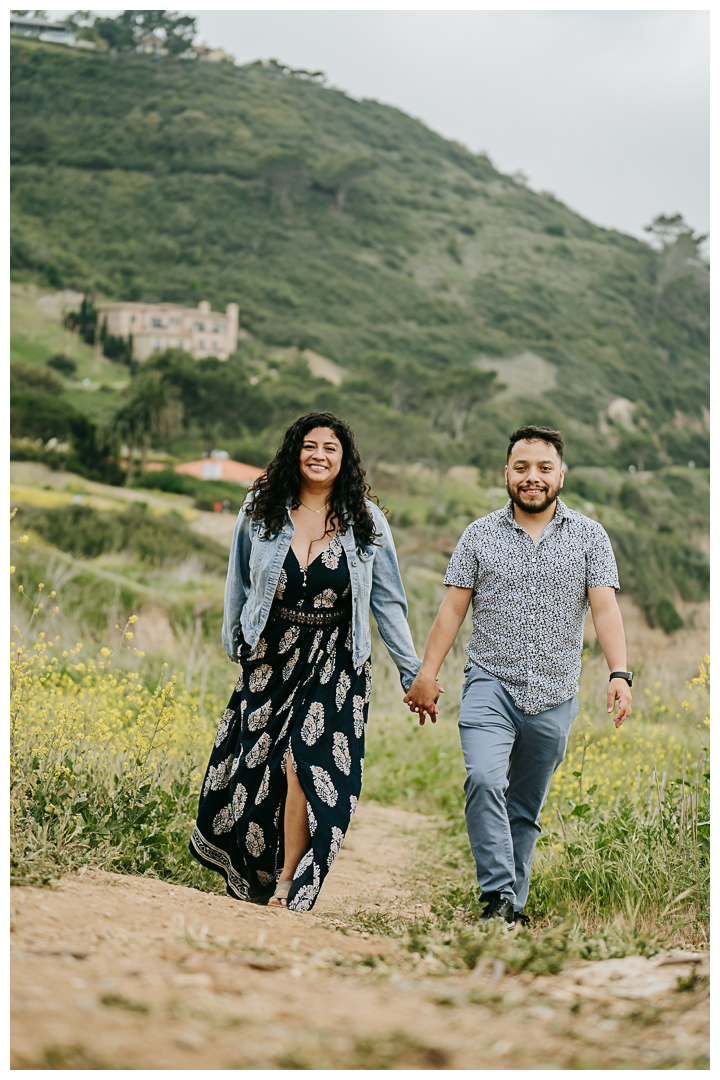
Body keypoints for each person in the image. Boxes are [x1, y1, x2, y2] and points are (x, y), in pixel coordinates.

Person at [190, 412, 435, 911]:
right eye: (310, 445)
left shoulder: (366, 520)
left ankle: (288, 883)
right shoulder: (261, 510)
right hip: (272, 654)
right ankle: (256, 872)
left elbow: (388, 603)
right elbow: (238, 582)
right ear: (294, 452)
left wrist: (415, 673)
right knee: (257, 770)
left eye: (330, 448)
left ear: (344, 459)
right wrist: (237, 644)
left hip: (337, 657)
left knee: (304, 762)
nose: (319, 455)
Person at [404, 425, 632, 928]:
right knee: (485, 779)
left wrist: (619, 673)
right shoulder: (478, 535)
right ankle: (496, 897)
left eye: (543, 468)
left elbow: (606, 610)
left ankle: (512, 907)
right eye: (522, 468)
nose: (533, 478)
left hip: (555, 692)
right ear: (507, 473)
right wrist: (427, 673)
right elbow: (452, 610)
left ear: (561, 475)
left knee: (524, 808)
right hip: (491, 682)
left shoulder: (590, 536)